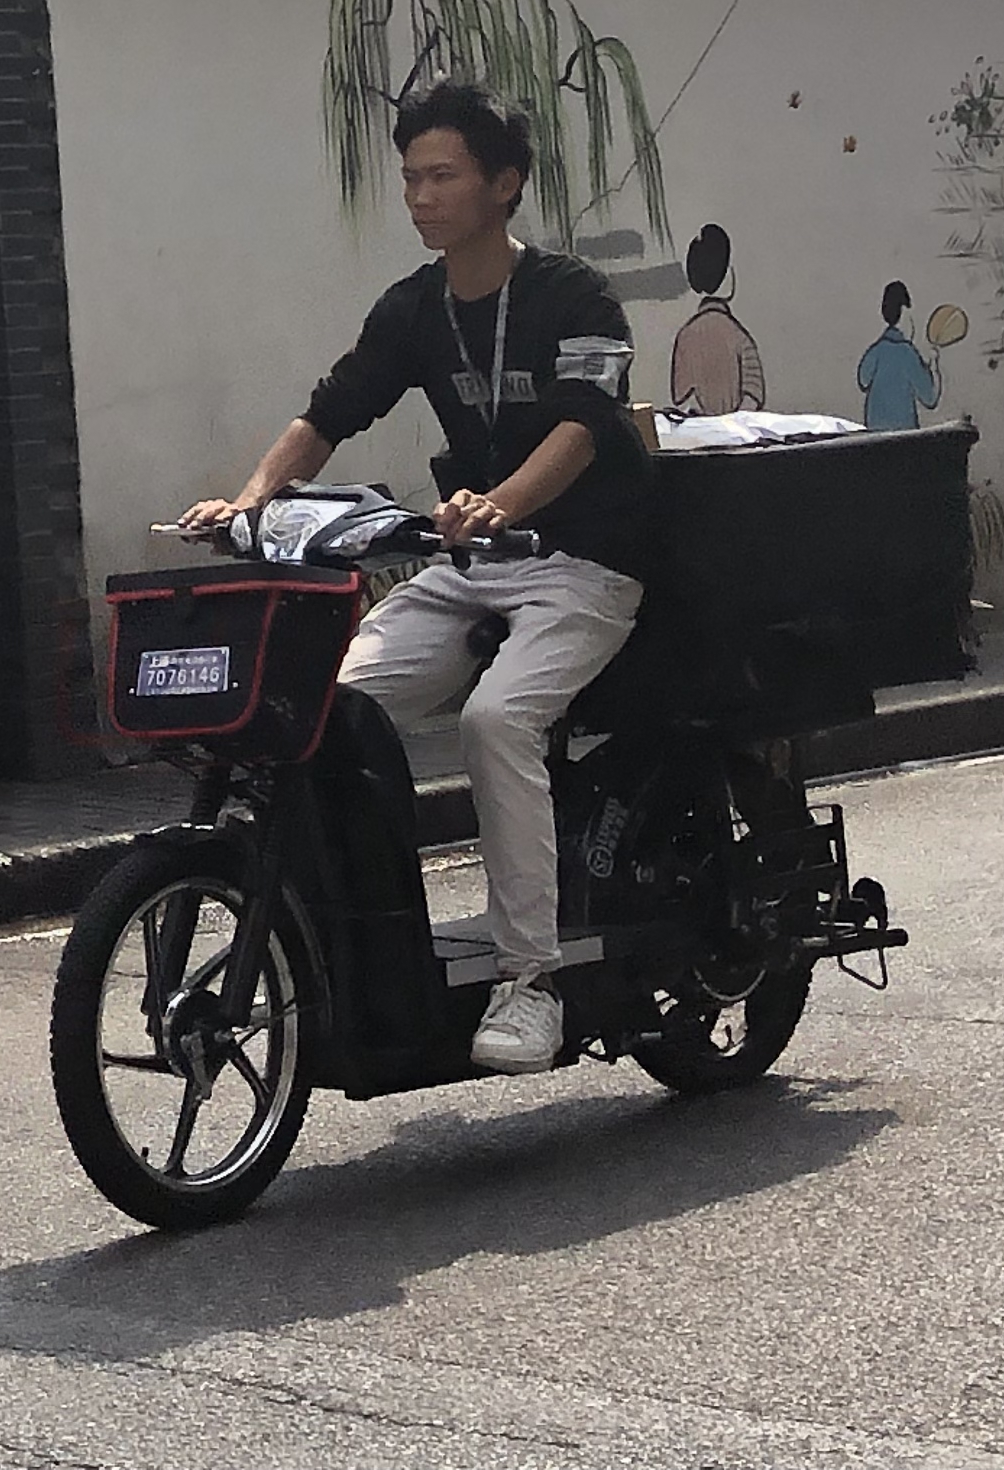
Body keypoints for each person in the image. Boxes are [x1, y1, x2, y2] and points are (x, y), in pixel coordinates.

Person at [179, 82, 655, 1078]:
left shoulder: (575, 296)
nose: (420, 197)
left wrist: (502, 504)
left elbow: (584, 425)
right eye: (410, 178)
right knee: (327, 709)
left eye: (442, 176)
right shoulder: (414, 307)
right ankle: (357, 943)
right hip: (468, 563)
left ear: (504, 184)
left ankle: (532, 980)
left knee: (497, 721)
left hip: (581, 566)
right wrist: (250, 501)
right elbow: (331, 411)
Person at [667, 223, 767, 416]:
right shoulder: (739, 336)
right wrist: (733, 422)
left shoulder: (686, 336)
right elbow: (753, 392)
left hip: (700, 429)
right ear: (728, 275)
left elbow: (682, 397)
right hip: (737, 431)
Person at [857, 282, 944, 432]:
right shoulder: (908, 355)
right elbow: (930, 398)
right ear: (904, 312)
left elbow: (863, 379)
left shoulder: (877, 350)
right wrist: (934, 365)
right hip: (904, 432)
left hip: (874, 430)